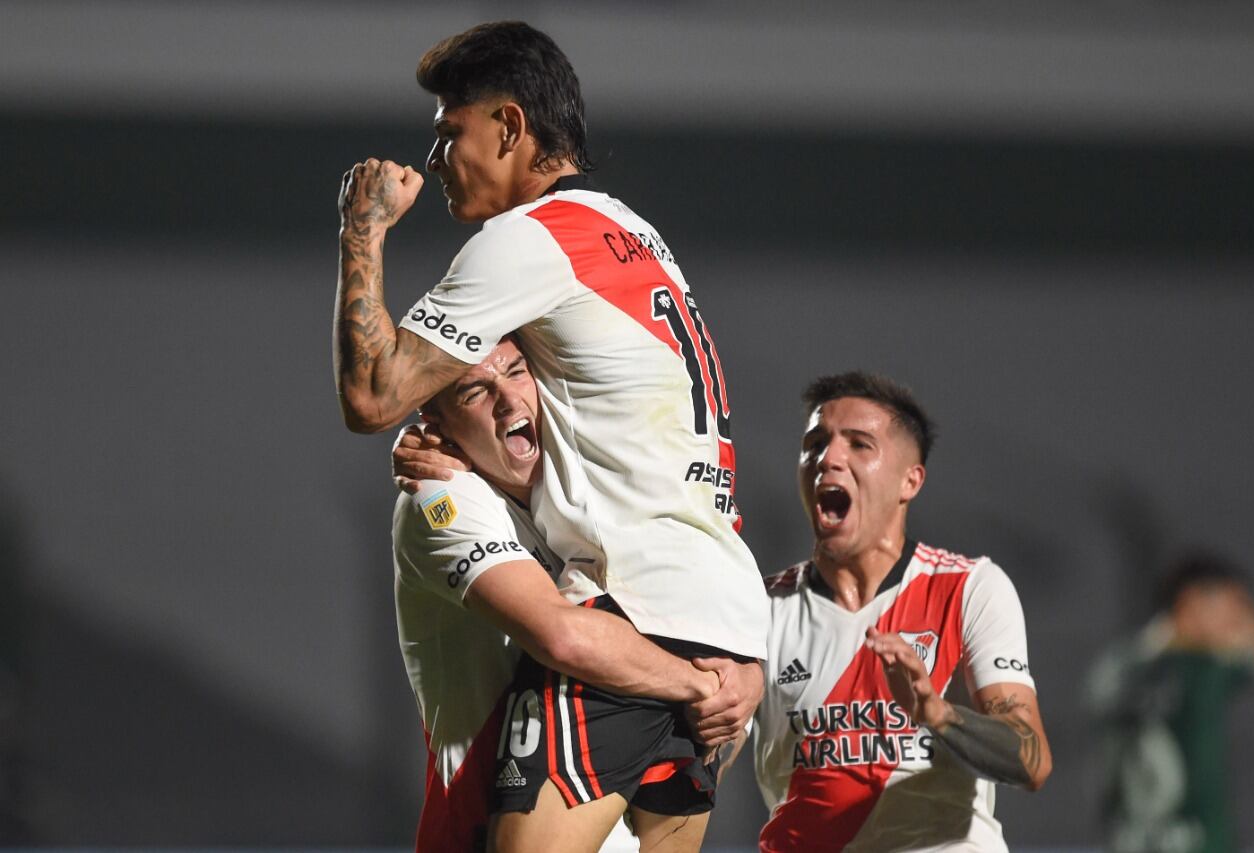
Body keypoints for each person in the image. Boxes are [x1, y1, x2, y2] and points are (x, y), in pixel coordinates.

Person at [333, 21, 768, 848]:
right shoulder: (639, 237)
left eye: (448, 132)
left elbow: (371, 391)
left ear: (507, 126)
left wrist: (362, 231)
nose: (434, 160)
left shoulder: (524, 241)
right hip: (722, 620)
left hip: (628, 624)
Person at [393, 338, 754, 852]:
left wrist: (744, 680)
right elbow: (562, 636)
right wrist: (704, 685)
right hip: (483, 830)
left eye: (517, 372)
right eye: (475, 390)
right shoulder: (442, 493)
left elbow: (708, 686)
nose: (508, 401)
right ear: (438, 422)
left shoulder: (594, 496)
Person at [752, 371, 1052, 852]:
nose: (829, 458)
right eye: (816, 442)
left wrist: (937, 713)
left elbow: (1031, 760)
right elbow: (714, 743)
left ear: (909, 481)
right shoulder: (759, 606)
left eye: (860, 445)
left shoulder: (968, 589)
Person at [1087, 552, 1254, 853]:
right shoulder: (1136, 663)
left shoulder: (1212, 667)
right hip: (1146, 838)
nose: (1237, 619)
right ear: (1190, 602)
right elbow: (1100, 699)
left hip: (1208, 841)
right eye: (1229, 605)